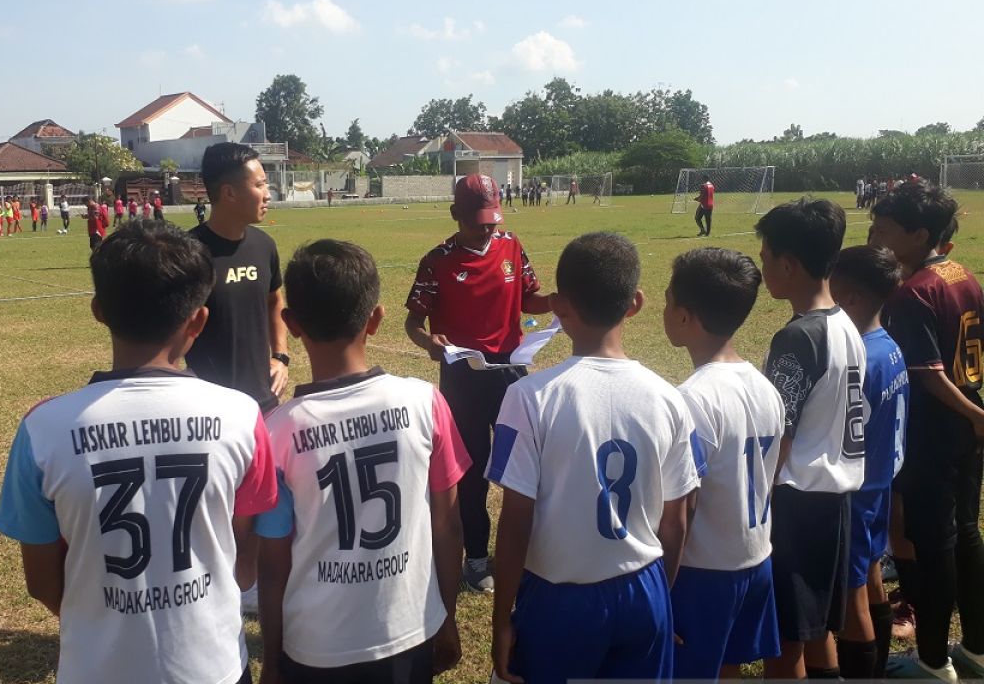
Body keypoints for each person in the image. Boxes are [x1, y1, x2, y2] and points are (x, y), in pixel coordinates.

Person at [0, 219, 277, 684]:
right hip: (214, 666)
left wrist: (101, 617)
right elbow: (247, 559)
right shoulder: (243, 416)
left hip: (96, 669)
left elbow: (42, 583)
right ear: (199, 319)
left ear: (98, 311)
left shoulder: (43, 429)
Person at [256, 240, 471, 684]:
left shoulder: (275, 433)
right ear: (375, 319)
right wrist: (445, 615)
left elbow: (272, 564)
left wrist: (272, 660)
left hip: (315, 646)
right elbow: (448, 524)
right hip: (409, 632)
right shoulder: (425, 402)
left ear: (291, 324)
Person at [488, 232, 699, 682]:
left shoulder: (528, 397)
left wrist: (501, 617)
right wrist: (661, 595)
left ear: (559, 305)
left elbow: (515, 521)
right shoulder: (669, 398)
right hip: (645, 586)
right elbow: (677, 520)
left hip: (559, 598)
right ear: (636, 303)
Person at [404, 174, 551, 593]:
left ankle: (531, 551)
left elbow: (529, 299)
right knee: (471, 474)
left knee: (527, 466)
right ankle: (477, 558)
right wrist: (428, 342)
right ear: (455, 215)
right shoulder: (438, 260)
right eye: (477, 222)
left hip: (511, 374)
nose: (488, 229)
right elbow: (414, 321)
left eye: (492, 219)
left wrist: (557, 302)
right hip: (463, 377)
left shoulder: (511, 245)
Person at [870, 181, 984, 681]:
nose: (874, 236)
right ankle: (977, 649)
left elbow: (928, 374)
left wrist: (973, 415)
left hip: (932, 434)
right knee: (966, 535)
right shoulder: (962, 274)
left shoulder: (913, 291)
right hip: (969, 428)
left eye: (884, 229)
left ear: (918, 235)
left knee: (936, 546)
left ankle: (934, 662)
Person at [661, 247, 784, 679]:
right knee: (727, 667)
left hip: (704, 574)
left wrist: (663, 591)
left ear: (685, 316)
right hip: (756, 560)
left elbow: (683, 508)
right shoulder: (764, 386)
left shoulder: (692, 399)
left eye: (668, 299)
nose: (664, 308)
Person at [756, 197, 865, 680]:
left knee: (785, 640)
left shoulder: (798, 338)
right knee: (817, 628)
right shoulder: (847, 325)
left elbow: (781, 433)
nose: (762, 268)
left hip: (797, 504)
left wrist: (755, 498)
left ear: (788, 263)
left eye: (765, 257)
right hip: (835, 499)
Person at [187, 142, 290, 614]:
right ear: (227, 193)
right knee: (214, 511)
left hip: (262, 406)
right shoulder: (190, 254)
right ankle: (213, 588)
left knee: (256, 507)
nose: (268, 191)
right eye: (260, 183)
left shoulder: (264, 245)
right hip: (206, 411)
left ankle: (244, 589)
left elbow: (275, 303)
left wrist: (282, 356)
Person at [828, 244, 909, 679]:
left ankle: (865, 670)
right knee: (872, 573)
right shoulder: (888, 346)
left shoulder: (861, 360)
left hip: (857, 495)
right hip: (881, 484)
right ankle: (880, 662)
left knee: (852, 592)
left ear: (851, 299)